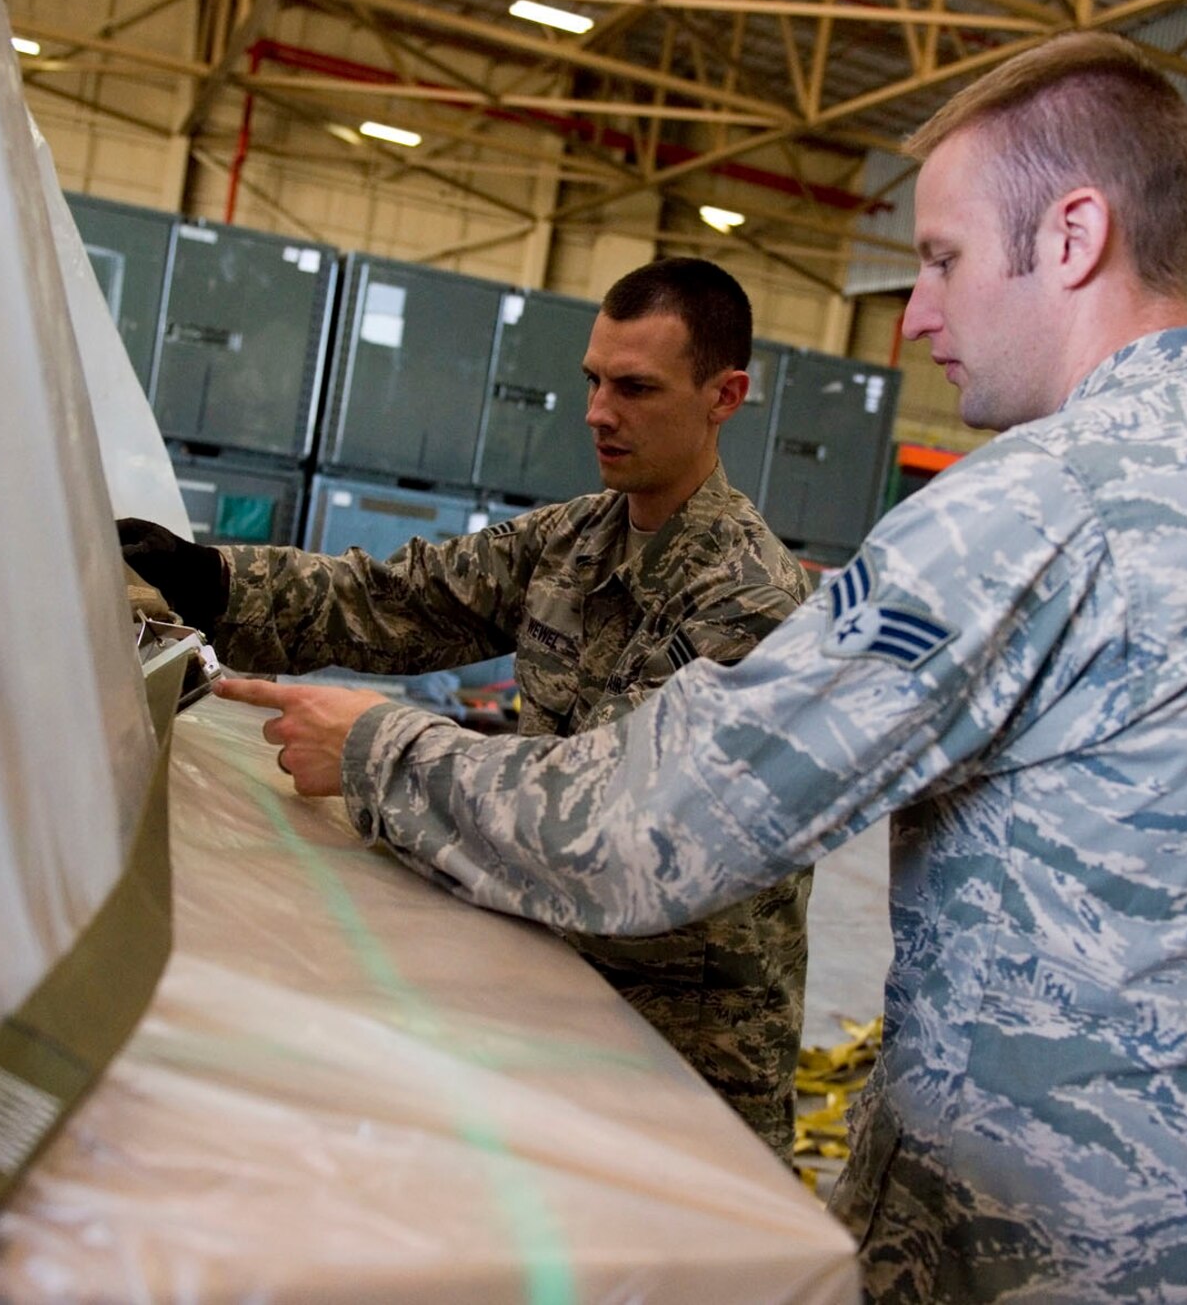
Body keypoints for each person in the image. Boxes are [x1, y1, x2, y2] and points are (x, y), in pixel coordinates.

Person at [216, 33, 1187, 1302]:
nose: (917, 318)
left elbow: (657, 828)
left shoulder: (1037, 507)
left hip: (1019, 1243)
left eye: (945, 260)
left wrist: (384, 748)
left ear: (1072, 238)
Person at [121, 258, 815, 1159]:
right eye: (593, 381)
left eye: (637, 388)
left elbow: (617, 818)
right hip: (560, 1003)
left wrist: (373, 745)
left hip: (687, 1062)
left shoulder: (752, 601)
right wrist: (210, 578)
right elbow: (399, 600)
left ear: (726, 395)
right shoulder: (575, 539)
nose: (600, 413)